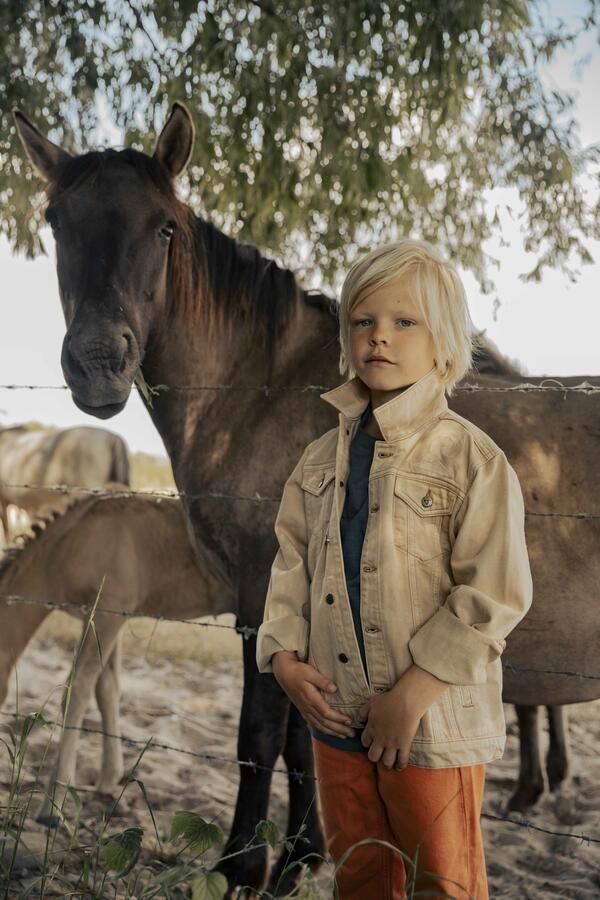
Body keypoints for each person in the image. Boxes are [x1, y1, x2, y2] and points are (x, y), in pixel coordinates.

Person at [256, 238, 533, 899]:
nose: (380, 336)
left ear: (443, 344)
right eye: (363, 321)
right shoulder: (319, 461)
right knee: (360, 877)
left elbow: (493, 594)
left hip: (428, 728)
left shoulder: (471, 460)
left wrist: (410, 697)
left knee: (444, 882)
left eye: (403, 322)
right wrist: (283, 659)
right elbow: (290, 564)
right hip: (336, 718)